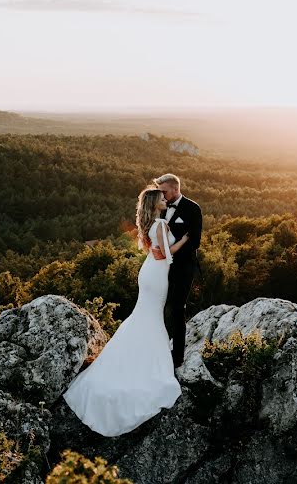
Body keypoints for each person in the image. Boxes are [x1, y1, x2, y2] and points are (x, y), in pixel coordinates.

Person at [63, 187, 189, 437]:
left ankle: (130, 356)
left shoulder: (150, 224)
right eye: (162, 198)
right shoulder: (161, 225)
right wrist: (184, 240)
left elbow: (155, 251)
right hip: (157, 275)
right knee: (151, 317)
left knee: (143, 316)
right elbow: (166, 254)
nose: (166, 200)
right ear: (155, 203)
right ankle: (148, 360)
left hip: (149, 272)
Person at [151, 173, 202, 368]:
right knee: (159, 306)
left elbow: (195, 241)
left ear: (175, 188)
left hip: (183, 267)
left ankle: (177, 355)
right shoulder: (161, 207)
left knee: (177, 308)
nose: (161, 195)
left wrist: (171, 253)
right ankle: (159, 347)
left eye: (164, 191)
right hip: (160, 268)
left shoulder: (193, 209)